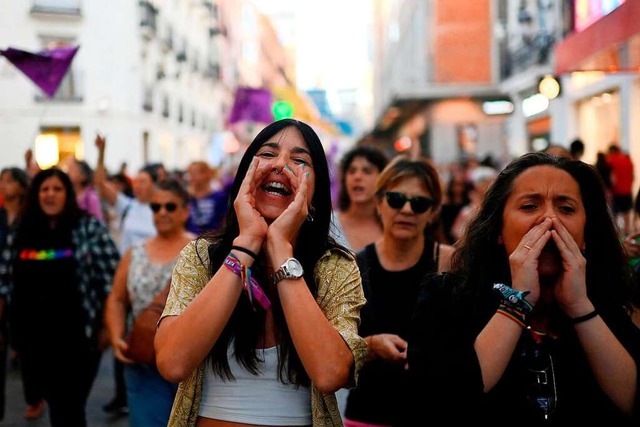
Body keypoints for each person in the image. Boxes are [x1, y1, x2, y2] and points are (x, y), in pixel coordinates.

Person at [155, 118, 368, 426]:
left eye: (299, 160)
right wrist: (246, 245)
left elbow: (330, 373)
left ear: (316, 187)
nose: (280, 165)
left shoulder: (336, 267)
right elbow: (173, 363)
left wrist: (281, 250)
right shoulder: (201, 257)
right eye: (268, 154)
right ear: (245, 174)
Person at [406, 152, 640, 424]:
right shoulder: (446, 299)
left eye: (566, 208)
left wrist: (580, 306)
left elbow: (631, 401)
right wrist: (517, 303)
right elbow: (443, 402)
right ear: (497, 231)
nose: (549, 220)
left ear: (586, 234)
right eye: (530, 206)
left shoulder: (607, 304)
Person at [1, 168, 120, 426]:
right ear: (36, 194)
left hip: (78, 340)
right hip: (33, 341)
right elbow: (6, 280)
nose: (50, 195)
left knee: (69, 406)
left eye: (57, 189)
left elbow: (112, 280)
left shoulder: (88, 227)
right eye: (44, 189)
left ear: (68, 194)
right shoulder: (22, 229)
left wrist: (108, 327)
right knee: (59, 407)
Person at [344, 155, 454, 427]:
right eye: (395, 199)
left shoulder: (449, 262)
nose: (406, 209)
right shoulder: (354, 266)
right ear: (379, 203)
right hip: (367, 414)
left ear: (432, 212)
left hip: (434, 412)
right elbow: (335, 351)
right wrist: (370, 346)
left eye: (419, 203)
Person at [105, 179, 195, 426]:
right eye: (155, 207)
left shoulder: (201, 251)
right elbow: (117, 298)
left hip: (190, 362)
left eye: (170, 206)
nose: (162, 212)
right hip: (143, 358)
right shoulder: (135, 252)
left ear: (185, 211)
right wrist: (116, 337)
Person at [94, 134, 158, 413]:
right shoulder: (128, 205)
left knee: (148, 334)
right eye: (138, 180)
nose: (140, 184)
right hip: (126, 280)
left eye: (146, 181)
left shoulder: (161, 210)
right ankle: (123, 395)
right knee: (122, 332)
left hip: (153, 284)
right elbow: (99, 184)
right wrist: (101, 153)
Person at [0, 167, 42, 420]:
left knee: (27, 349)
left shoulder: (30, 217)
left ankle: (34, 396)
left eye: (8, 181)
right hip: (1, 290)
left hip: (25, 291)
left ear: (21, 186)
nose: (3, 185)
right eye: (1, 181)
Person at [334, 145, 389, 253]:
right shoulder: (329, 225)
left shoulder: (391, 226)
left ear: (382, 178)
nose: (357, 177)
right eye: (352, 171)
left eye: (367, 171)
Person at [184, 160, 229, 235]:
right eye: (190, 172)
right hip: (189, 241)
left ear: (207, 174)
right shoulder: (185, 197)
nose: (192, 176)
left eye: (196, 172)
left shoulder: (219, 196)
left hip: (212, 239)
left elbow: (224, 221)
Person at [62, 157, 105, 222]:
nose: (68, 172)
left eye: (72, 170)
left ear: (83, 176)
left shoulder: (90, 197)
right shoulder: (67, 194)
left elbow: (97, 220)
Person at [607, 143, 635, 235]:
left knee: (615, 216)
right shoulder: (627, 160)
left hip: (616, 192)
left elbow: (611, 178)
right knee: (626, 215)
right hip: (627, 191)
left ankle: (618, 236)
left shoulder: (610, 160)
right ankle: (627, 233)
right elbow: (632, 176)